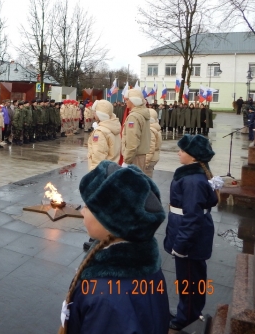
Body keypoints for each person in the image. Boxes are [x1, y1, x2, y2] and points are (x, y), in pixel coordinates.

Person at [59, 161, 170, 334]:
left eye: (88, 207)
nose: (82, 212)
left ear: (110, 222)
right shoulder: (144, 263)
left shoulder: (107, 299)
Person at [165, 134, 219, 331]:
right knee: (194, 277)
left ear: (194, 156)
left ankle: (186, 317)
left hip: (189, 240)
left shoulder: (192, 181)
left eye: (182, 150)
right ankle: (189, 310)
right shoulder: (193, 175)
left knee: (188, 279)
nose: (178, 153)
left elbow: (193, 216)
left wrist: (181, 245)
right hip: (189, 235)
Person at [121, 88, 151, 171]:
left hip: (134, 158)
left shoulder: (134, 117)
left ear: (133, 100)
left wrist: (126, 160)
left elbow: (132, 141)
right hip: (139, 155)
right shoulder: (142, 114)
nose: (125, 101)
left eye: (127, 99)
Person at [87, 100, 121, 171]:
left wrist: (94, 174)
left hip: (103, 173)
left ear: (100, 114)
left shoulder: (100, 132)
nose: (94, 114)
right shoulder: (114, 126)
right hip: (113, 168)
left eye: (95, 112)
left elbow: (98, 156)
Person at [145, 108, 162, 178]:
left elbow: (150, 148)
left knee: (146, 179)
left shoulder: (150, 130)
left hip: (149, 159)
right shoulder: (155, 128)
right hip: (154, 157)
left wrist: (146, 162)